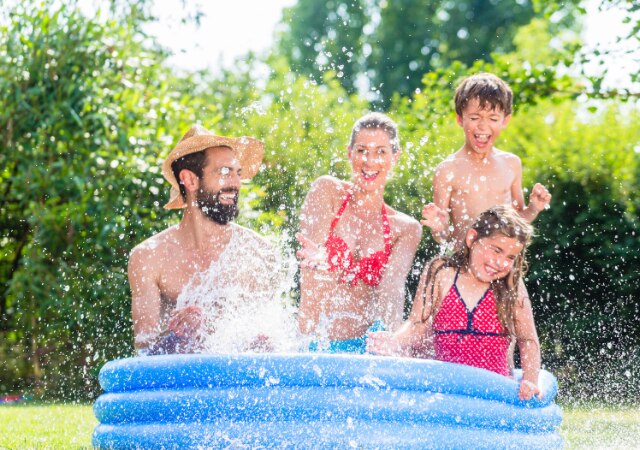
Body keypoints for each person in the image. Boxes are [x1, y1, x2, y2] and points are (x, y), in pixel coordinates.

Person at [128, 124, 288, 355]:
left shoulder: (257, 253)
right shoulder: (149, 257)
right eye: (224, 172)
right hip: (179, 387)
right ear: (190, 180)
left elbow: (274, 347)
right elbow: (144, 351)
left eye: (238, 173)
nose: (235, 183)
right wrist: (177, 334)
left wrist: (216, 325)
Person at [367, 206, 542, 401]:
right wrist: (394, 340)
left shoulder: (511, 286)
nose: (501, 262)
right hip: (447, 391)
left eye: (510, 257)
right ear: (472, 239)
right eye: (496, 250)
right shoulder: (442, 273)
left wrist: (530, 379)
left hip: (494, 393)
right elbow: (417, 324)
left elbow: (528, 340)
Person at [296, 112, 422, 353]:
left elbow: (392, 291)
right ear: (349, 153)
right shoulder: (327, 191)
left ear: (395, 157)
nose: (370, 161)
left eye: (381, 152)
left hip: (366, 348)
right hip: (314, 340)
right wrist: (317, 260)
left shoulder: (405, 229)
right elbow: (309, 267)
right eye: (362, 150)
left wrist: (393, 343)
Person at [421, 73, 552, 248]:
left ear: (505, 121)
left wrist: (534, 208)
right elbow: (442, 236)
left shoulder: (511, 164)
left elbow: (518, 219)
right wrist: (439, 228)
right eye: (474, 118)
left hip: (502, 262)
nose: (483, 126)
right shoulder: (448, 170)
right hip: (463, 261)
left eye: (493, 119)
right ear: (460, 119)